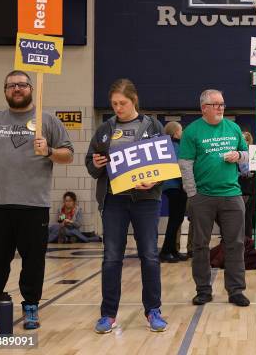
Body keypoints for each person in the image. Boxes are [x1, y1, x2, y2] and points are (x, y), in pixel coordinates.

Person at [0, 70, 74, 330]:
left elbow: (68, 155)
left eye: (22, 85)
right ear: (4, 90)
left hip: (34, 206)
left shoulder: (47, 121)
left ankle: (31, 307)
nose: (17, 89)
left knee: (33, 262)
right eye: (11, 85)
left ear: (31, 89)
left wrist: (48, 150)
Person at [85, 78, 167, 333]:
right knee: (111, 258)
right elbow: (91, 164)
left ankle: (153, 310)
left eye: (122, 103)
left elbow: (164, 163)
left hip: (146, 201)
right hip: (114, 201)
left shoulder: (152, 125)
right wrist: (96, 165)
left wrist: (154, 181)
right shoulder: (105, 129)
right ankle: (108, 314)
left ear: (134, 101)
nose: (118, 108)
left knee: (150, 256)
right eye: (114, 104)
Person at [179, 89, 250, 307]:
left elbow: (247, 155)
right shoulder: (192, 132)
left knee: (236, 244)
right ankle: (203, 290)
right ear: (204, 108)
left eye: (222, 104)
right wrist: (193, 194)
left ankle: (236, 290)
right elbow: (185, 165)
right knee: (200, 245)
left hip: (232, 195)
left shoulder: (233, 128)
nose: (220, 108)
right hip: (203, 197)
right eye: (215, 104)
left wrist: (239, 156)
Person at [159, 121, 189, 263]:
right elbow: (180, 166)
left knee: (175, 220)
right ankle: (166, 251)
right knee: (175, 220)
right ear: (176, 132)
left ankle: (172, 250)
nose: (182, 133)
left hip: (169, 186)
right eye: (181, 130)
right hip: (176, 186)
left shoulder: (167, 144)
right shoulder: (175, 145)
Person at [238, 131, 256, 238]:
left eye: (243, 139)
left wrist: (237, 173)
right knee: (246, 216)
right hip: (247, 188)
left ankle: (246, 242)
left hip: (246, 189)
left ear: (248, 141)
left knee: (245, 216)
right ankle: (247, 241)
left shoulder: (244, 154)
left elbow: (246, 172)